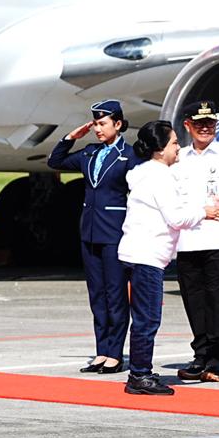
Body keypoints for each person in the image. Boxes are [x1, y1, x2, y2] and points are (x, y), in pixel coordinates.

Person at [116, 121, 219, 395]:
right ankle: (139, 375)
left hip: (137, 252)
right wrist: (204, 211)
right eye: (174, 143)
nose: (178, 148)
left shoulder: (142, 173)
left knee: (144, 317)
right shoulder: (159, 177)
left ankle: (141, 370)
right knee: (148, 319)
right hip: (146, 255)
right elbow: (176, 218)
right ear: (160, 149)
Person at [46, 99, 137, 375]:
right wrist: (69, 138)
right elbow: (55, 161)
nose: (98, 128)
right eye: (95, 123)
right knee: (97, 295)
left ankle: (115, 353)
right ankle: (102, 350)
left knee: (116, 293)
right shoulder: (89, 153)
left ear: (118, 124)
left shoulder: (129, 155)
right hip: (90, 231)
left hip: (114, 232)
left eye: (103, 123)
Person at [170, 100, 219, 383]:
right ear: (188, 125)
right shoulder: (179, 158)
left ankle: (216, 359)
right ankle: (200, 355)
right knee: (195, 302)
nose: (205, 128)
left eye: (210, 123)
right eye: (199, 123)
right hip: (189, 240)